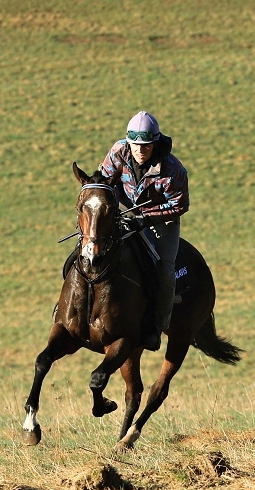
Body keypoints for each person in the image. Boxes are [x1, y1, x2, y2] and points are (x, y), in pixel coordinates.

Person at [99, 110, 189, 350]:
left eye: (147, 145)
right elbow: (104, 180)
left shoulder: (173, 170)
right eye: (136, 145)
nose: (140, 150)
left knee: (165, 271)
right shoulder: (118, 151)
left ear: (155, 143)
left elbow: (180, 205)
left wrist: (147, 218)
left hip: (162, 223)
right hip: (125, 212)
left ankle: (157, 326)